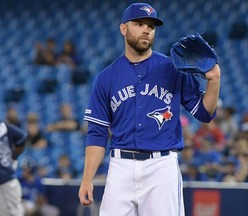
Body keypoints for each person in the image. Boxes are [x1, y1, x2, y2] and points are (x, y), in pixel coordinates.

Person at [78, 3, 221, 216]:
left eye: (151, 26)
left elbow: (204, 113)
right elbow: (97, 134)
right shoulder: (106, 78)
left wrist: (215, 80)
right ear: (123, 28)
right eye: (139, 24)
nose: (146, 29)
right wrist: (87, 179)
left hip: (161, 167)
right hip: (120, 166)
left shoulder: (173, 69)